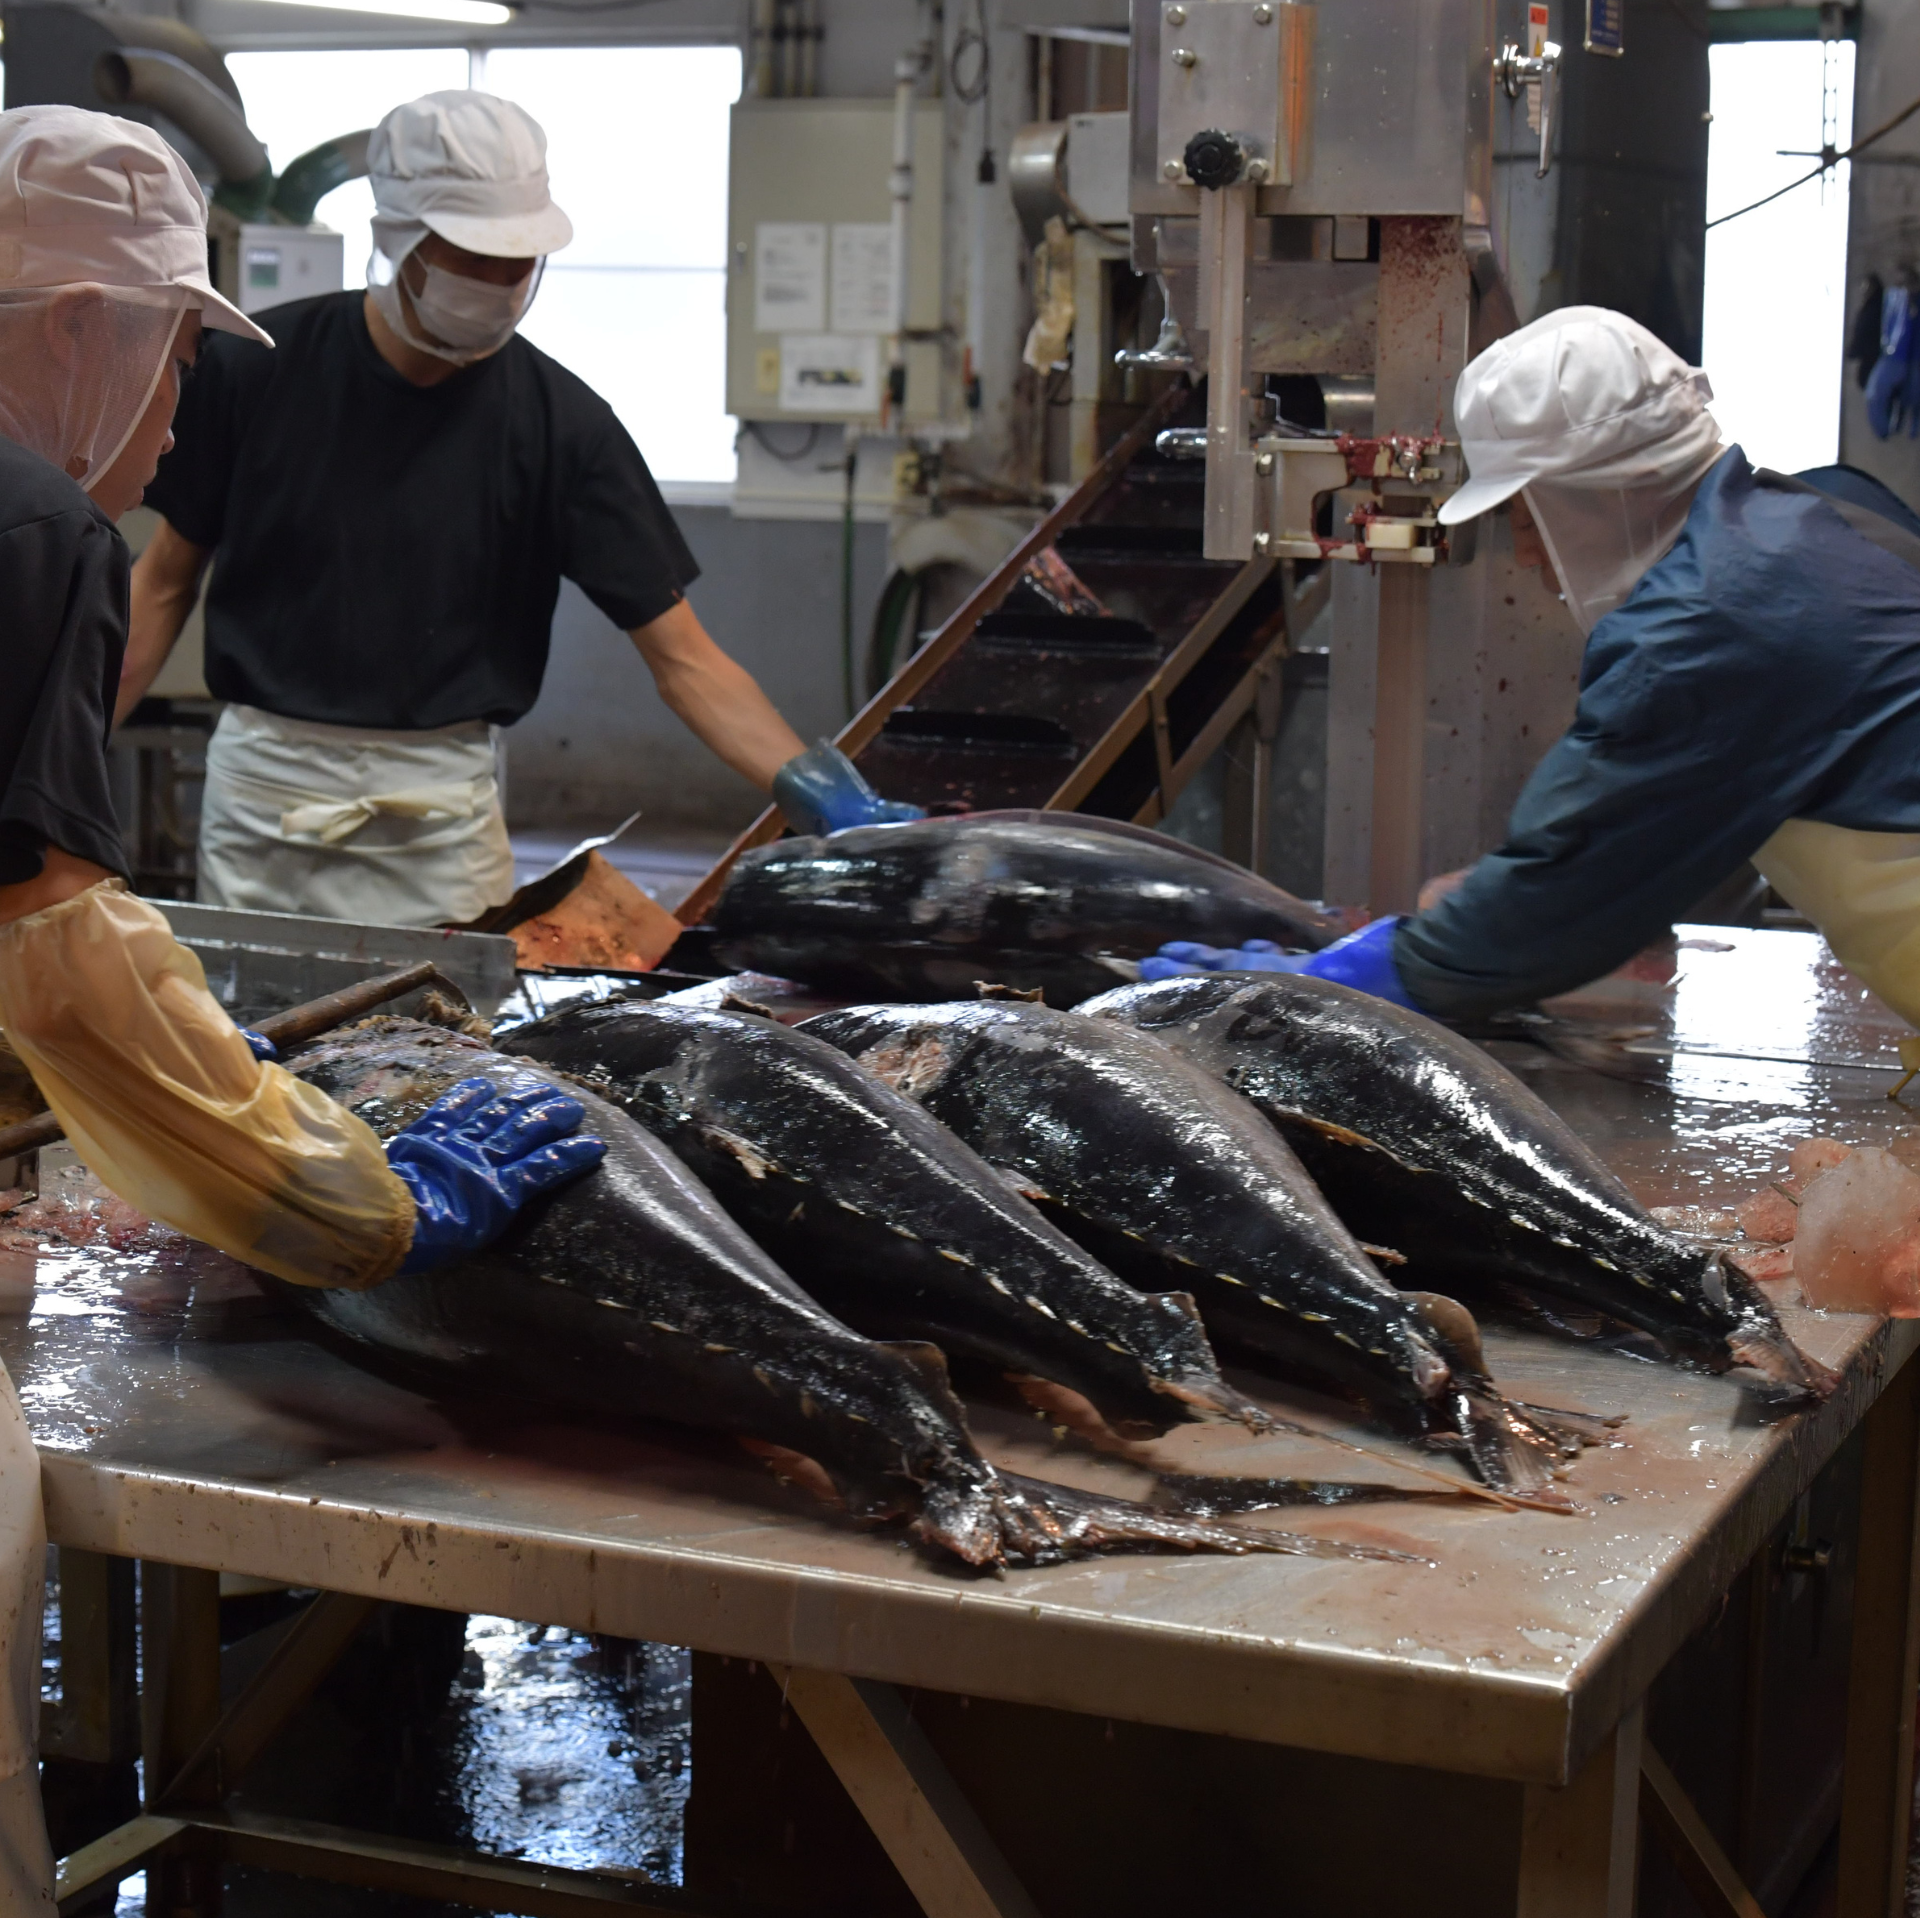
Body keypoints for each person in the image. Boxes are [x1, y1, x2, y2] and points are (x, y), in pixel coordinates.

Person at [0, 105, 607, 1896]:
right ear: (67, 325)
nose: (185, 411)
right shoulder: (36, 532)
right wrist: (347, 1197)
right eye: (177, 346)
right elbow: (57, 959)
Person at [116, 88, 914, 929]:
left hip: (441, 821)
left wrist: (823, 792)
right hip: (263, 805)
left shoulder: (563, 427)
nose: (501, 284)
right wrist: (47, 763)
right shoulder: (257, 373)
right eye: (473, 259)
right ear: (401, 241)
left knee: (439, 1048)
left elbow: (686, 662)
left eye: (519, 262)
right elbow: (163, 584)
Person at [1147, 304, 1920, 1034]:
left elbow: (1571, 889)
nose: (1525, 553)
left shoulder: (1707, 625)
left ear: (1593, 493)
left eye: (1526, 516)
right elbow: (1649, 835)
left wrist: (1355, 979)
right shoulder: (1828, 511)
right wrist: (1510, 895)